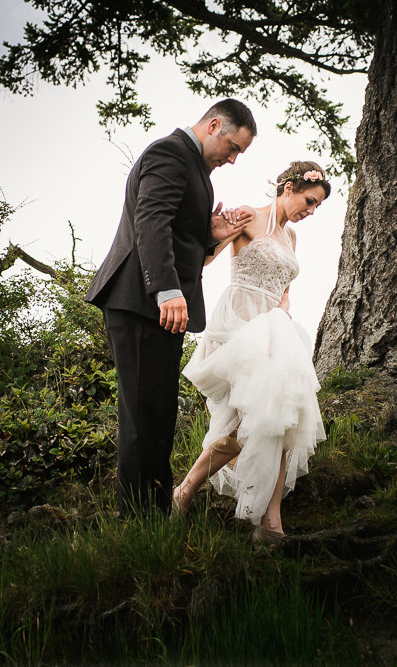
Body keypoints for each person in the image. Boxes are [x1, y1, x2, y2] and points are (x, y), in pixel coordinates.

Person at [85, 100, 257, 516]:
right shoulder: (170, 153)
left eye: (239, 154)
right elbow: (151, 220)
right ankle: (139, 521)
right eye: (232, 147)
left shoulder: (198, 170)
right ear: (214, 125)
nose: (232, 159)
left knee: (159, 414)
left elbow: (179, 238)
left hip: (160, 309)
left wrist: (210, 237)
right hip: (141, 302)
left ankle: (155, 513)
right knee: (143, 417)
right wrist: (166, 290)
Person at [172, 161, 330, 541]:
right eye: (308, 202)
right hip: (240, 328)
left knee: (280, 422)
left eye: (316, 208)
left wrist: (285, 307)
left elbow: (285, 283)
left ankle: (270, 522)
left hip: (275, 330)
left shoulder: (291, 239)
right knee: (243, 429)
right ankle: (186, 489)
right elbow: (206, 259)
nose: (309, 212)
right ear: (287, 188)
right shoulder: (247, 216)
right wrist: (213, 232)